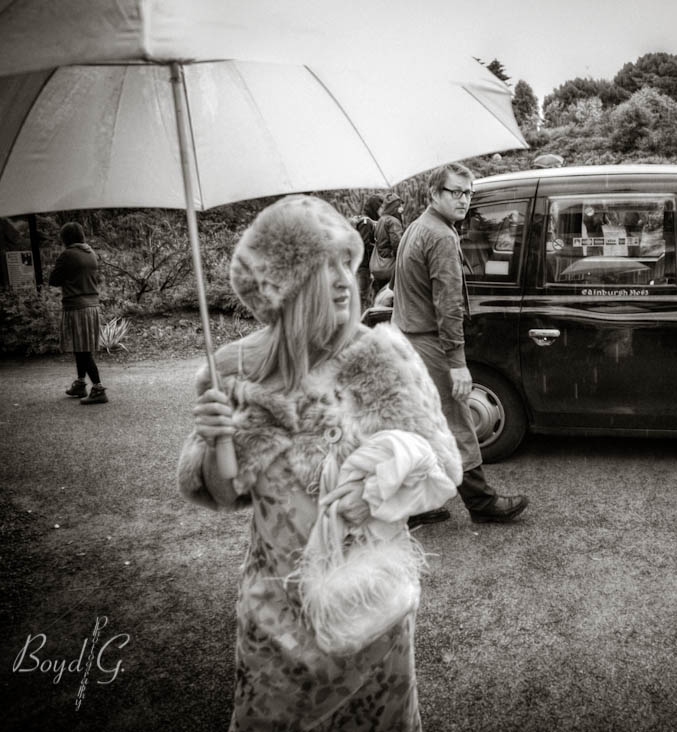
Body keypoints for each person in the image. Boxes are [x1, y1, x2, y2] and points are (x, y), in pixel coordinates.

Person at [178, 194, 462, 731]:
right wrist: (217, 438)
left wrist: (377, 484)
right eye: (321, 266)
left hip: (366, 607)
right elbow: (222, 493)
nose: (342, 279)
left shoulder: (382, 358)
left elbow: (444, 471)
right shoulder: (235, 369)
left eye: (344, 263)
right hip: (274, 617)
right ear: (280, 286)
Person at [392, 162, 530, 526]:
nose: (465, 200)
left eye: (469, 193)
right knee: (459, 423)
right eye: (456, 192)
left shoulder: (416, 228)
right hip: (431, 345)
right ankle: (482, 503)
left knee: (424, 422)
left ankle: (416, 505)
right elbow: (448, 305)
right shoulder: (440, 236)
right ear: (434, 194)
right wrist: (456, 362)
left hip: (407, 340)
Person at [48, 222, 108, 405]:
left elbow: (53, 280)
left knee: (82, 351)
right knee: (80, 347)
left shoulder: (67, 255)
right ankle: (81, 383)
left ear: (65, 238)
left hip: (77, 307)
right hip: (92, 306)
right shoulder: (91, 253)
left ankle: (97, 388)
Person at [368, 192, 405, 304]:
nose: (401, 209)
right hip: (390, 267)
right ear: (394, 207)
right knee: (391, 297)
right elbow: (397, 244)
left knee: (380, 296)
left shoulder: (381, 219)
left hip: (379, 265)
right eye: (399, 206)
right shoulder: (393, 222)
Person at [352, 193, 383, 306]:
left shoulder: (369, 221)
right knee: (362, 295)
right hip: (363, 266)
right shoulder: (366, 222)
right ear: (374, 208)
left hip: (365, 265)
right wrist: (378, 246)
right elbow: (363, 243)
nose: (381, 211)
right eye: (380, 208)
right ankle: (359, 318)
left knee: (366, 294)